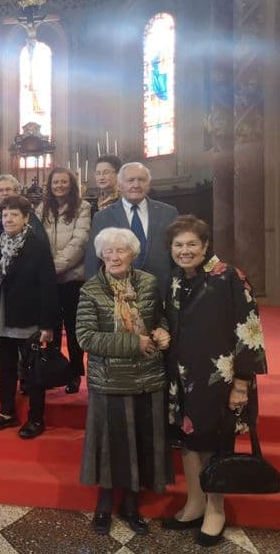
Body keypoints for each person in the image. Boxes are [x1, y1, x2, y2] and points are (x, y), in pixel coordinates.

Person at [162, 216, 267, 547]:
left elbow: (249, 329)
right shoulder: (176, 279)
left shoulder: (230, 277)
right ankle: (195, 502)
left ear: (206, 245)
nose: (185, 250)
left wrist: (242, 382)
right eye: (178, 245)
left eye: (192, 244)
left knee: (214, 441)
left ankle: (215, 509)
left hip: (219, 378)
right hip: (181, 377)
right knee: (188, 439)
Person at [76, 227, 173, 537]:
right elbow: (86, 337)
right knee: (108, 445)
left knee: (141, 443)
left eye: (121, 250)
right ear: (101, 255)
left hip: (148, 376)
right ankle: (104, 505)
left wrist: (162, 331)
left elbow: (159, 317)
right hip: (110, 379)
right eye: (109, 251)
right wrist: (134, 343)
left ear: (133, 253)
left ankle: (132, 505)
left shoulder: (148, 282)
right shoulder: (91, 289)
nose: (115, 256)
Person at [0, 195, 57, 439]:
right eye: (5, 215)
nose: (9, 219)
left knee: (32, 371)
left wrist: (47, 324)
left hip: (28, 317)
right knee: (6, 368)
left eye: (14, 214)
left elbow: (48, 287)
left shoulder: (37, 246)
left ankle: (36, 418)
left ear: (25, 218)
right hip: (1, 316)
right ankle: (6, 412)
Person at [34, 167, 92, 394]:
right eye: (55, 182)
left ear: (71, 184)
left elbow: (80, 241)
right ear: (49, 185)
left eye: (63, 182)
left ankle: (75, 373)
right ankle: (53, 371)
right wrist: (46, 271)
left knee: (73, 328)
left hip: (72, 278)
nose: (59, 186)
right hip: (48, 280)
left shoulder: (83, 207)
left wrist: (53, 268)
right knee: (51, 327)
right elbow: (36, 239)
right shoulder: (42, 208)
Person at [84, 162, 178, 297]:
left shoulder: (168, 213)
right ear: (120, 185)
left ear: (148, 184)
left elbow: (177, 253)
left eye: (141, 180)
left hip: (161, 291)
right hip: (117, 294)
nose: (136, 185)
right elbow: (92, 261)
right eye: (130, 180)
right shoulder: (102, 217)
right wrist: (95, 296)